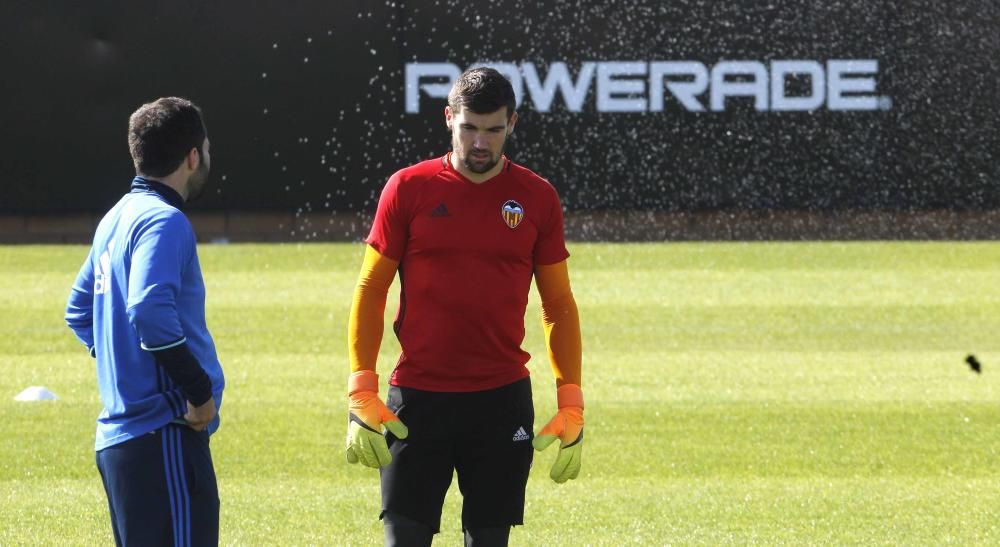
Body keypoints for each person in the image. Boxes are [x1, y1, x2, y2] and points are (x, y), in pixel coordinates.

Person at [345, 67, 585, 547]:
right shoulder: (407, 188)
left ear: (512, 124)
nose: (481, 142)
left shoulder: (538, 198)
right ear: (448, 117)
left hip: (501, 403)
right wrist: (360, 390)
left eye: (494, 130)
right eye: (470, 127)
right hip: (417, 400)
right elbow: (372, 287)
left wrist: (571, 401)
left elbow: (557, 304)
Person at [65, 97, 225, 547]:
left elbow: (79, 312)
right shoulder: (164, 220)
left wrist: (126, 363)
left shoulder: (115, 218)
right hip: (164, 437)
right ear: (193, 156)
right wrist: (196, 393)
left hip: (123, 443)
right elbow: (149, 312)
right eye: (206, 149)